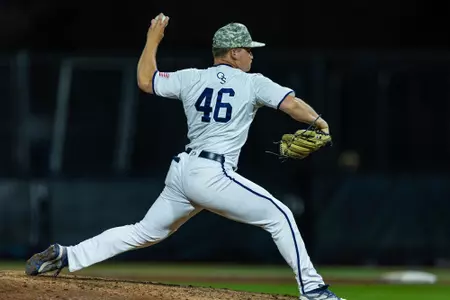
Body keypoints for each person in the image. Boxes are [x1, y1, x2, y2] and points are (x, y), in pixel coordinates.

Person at [25, 13, 345, 300]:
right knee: (281, 216)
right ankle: (314, 291)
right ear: (234, 52)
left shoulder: (191, 77)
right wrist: (320, 122)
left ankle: (65, 255)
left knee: (144, 232)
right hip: (213, 173)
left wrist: (152, 40)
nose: (251, 55)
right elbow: (292, 104)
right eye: (248, 49)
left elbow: (145, 80)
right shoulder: (252, 82)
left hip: (183, 171)